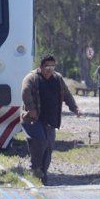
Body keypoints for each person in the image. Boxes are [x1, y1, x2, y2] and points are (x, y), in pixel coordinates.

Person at [21, 54, 81, 185]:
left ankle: (43, 173)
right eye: (47, 66)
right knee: (40, 142)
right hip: (33, 119)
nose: (50, 69)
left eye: (52, 66)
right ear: (41, 67)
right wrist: (31, 109)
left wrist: (75, 108)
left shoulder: (57, 79)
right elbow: (25, 92)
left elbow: (67, 94)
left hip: (50, 120)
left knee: (48, 147)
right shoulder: (32, 78)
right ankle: (35, 168)